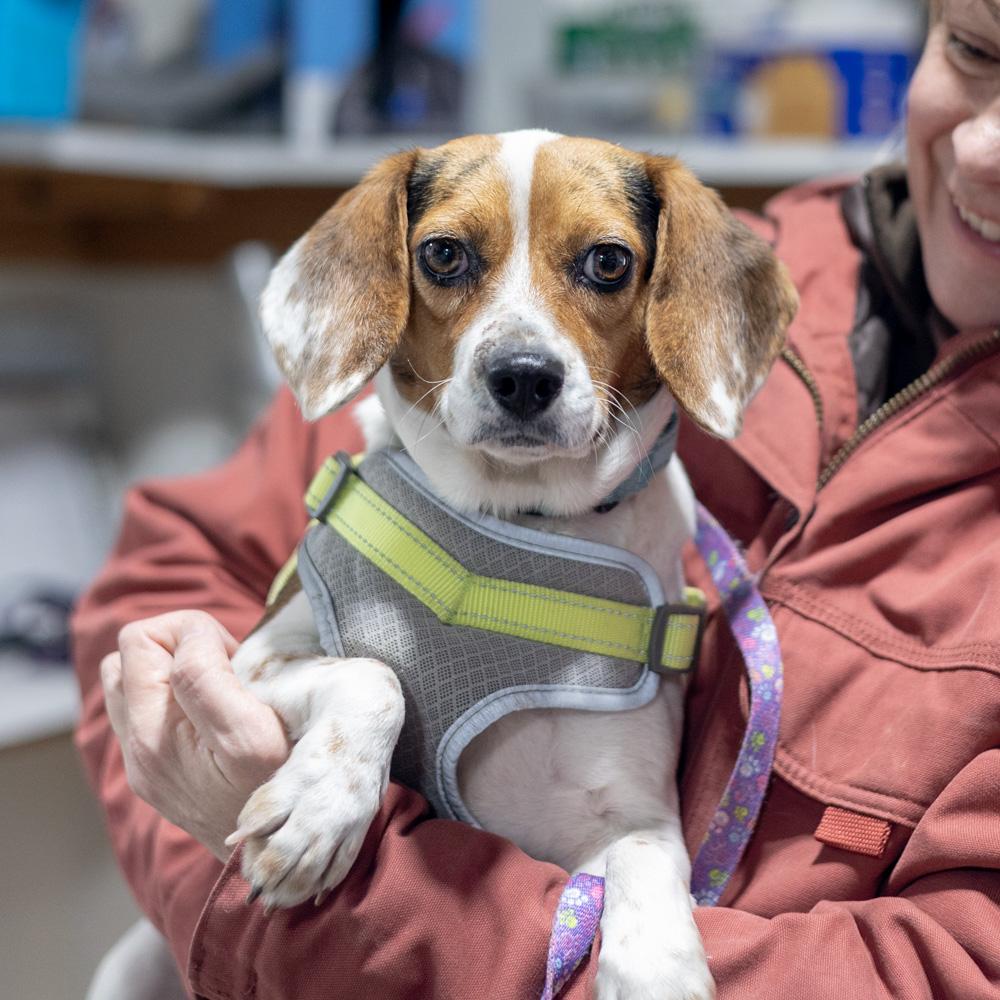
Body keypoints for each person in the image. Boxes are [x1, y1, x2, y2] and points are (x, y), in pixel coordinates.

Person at [74, 1, 1000, 996]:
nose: (523, 352)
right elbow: (168, 589)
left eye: (601, 269)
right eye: (974, 50)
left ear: (656, 295)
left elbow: (947, 967)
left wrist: (356, 916)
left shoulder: (696, 281)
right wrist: (222, 801)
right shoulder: (416, 401)